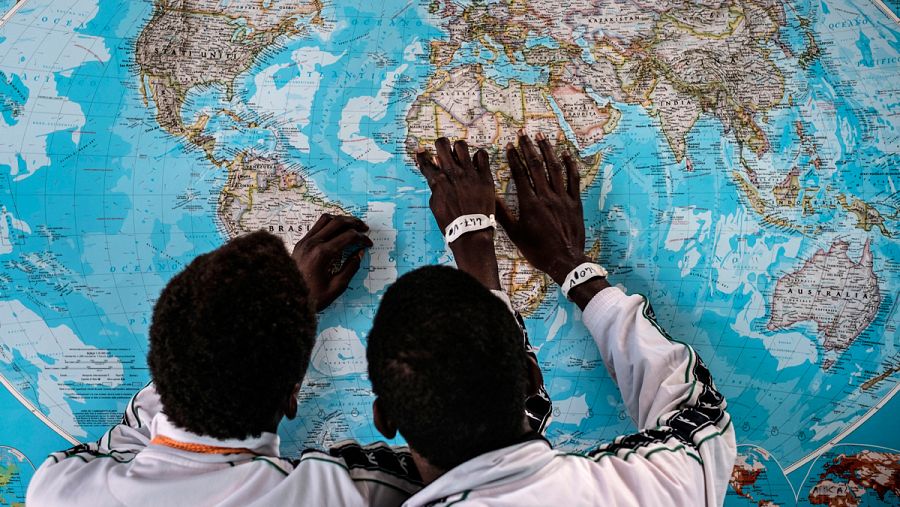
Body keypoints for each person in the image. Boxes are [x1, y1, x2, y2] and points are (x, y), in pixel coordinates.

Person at [366, 133, 737, 506]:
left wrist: (304, 306)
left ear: (384, 419)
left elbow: (480, 465)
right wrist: (569, 264)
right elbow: (702, 421)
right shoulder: (653, 491)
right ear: (531, 375)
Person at [25, 217, 428, 506]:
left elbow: (134, 433)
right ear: (292, 398)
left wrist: (286, 313)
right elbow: (457, 450)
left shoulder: (58, 489)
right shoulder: (353, 492)